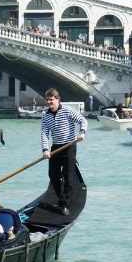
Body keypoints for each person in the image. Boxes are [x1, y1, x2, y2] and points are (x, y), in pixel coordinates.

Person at [40, 88, 87, 216]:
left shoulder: (68, 111)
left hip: (69, 146)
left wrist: (82, 133)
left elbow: (83, 120)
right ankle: (61, 198)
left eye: (52, 99)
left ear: (58, 99)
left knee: (68, 177)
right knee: (53, 175)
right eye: (48, 100)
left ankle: (64, 204)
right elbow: (44, 133)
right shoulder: (45, 115)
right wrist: (45, 149)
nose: (50, 102)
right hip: (55, 147)